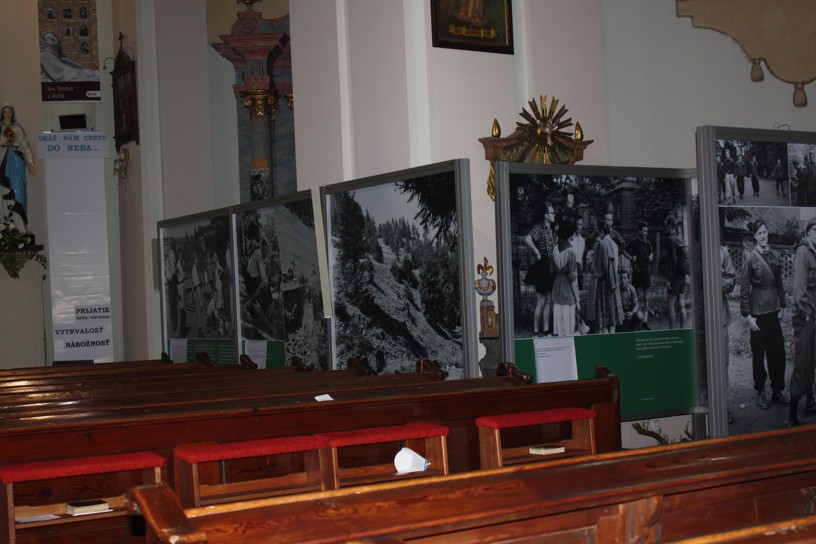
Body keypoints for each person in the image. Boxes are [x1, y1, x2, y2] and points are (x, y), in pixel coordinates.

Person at [739, 219, 788, 410]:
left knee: (778, 353)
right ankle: (760, 391)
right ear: (755, 236)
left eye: (765, 232)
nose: (763, 236)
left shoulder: (774, 256)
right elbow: (744, 288)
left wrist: (782, 305)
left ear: (768, 233)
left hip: (773, 311)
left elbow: (779, 282)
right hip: (757, 313)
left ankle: (777, 390)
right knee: (759, 355)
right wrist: (747, 316)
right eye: (759, 233)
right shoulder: (750, 259)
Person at [788, 218, 816, 426]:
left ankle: (810, 402)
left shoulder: (814, 252)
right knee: (802, 362)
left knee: (811, 361)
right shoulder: (803, 253)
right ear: (809, 231)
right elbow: (799, 291)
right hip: (804, 317)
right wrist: (808, 315)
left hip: (813, 317)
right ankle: (791, 416)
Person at [0, 103, 36, 232]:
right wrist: (3, 143)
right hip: (2, 161)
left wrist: (31, 162)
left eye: (10, 111)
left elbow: (25, 146)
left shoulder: (18, 128)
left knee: (19, 192)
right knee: (4, 192)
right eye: (5, 112)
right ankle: (4, 225)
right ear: (2, 113)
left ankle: (20, 226)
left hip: (17, 160)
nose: (8, 114)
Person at [523, 203, 556, 337]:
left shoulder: (551, 230)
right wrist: (537, 253)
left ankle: (546, 330)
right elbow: (527, 239)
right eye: (552, 213)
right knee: (541, 300)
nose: (554, 215)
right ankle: (536, 331)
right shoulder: (539, 228)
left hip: (550, 266)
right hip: (542, 265)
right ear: (546, 215)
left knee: (548, 300)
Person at [587, 221, 623, 334]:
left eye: (599, 231)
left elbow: (603, 265)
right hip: (613, 281)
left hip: (604, 283)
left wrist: (597, 274)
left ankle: (606, 340)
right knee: (612, 316)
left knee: (603, 317)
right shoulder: (613, 244)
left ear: (602, 231)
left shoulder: (602, 244)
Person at [550, 217, 580, 337]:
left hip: (557, 288)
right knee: (569, 328)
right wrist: (577, 299)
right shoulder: (571, 252)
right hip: (567, 290)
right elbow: (572, 279)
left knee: (560, 326)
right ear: (570, 234)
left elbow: (552, 271)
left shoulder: (555, 249)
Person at [624, 222, 653, 330]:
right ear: (639, 231)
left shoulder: (648, 243)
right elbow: (624, 251)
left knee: (646, 298)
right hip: (637, 273)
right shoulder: (634, 242)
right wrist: (631, 258)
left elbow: (651, 253)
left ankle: (645, 321)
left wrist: (651, 256)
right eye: (644, 231)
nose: (646, 233)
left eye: (647, 231)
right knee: (638, 297)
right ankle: (638, 321)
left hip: (646, 273)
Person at [721, 245, 737, 423]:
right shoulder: (692, 252)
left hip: (720, 316)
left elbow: (732, 281)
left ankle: (722, 405)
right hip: (699, 317)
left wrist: (715, 280)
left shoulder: (722, 252)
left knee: (722, 361)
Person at [665, 215, 689, 329]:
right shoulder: (681, 240)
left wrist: (669, 280)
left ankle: (672, 332)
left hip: (675, 277)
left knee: (670, 305)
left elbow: (672, 261)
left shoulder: (670, 240)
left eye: (666, 225)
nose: (665, 228)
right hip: (683, 276)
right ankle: (683, 331)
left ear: (670, 226)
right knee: (682, 305)